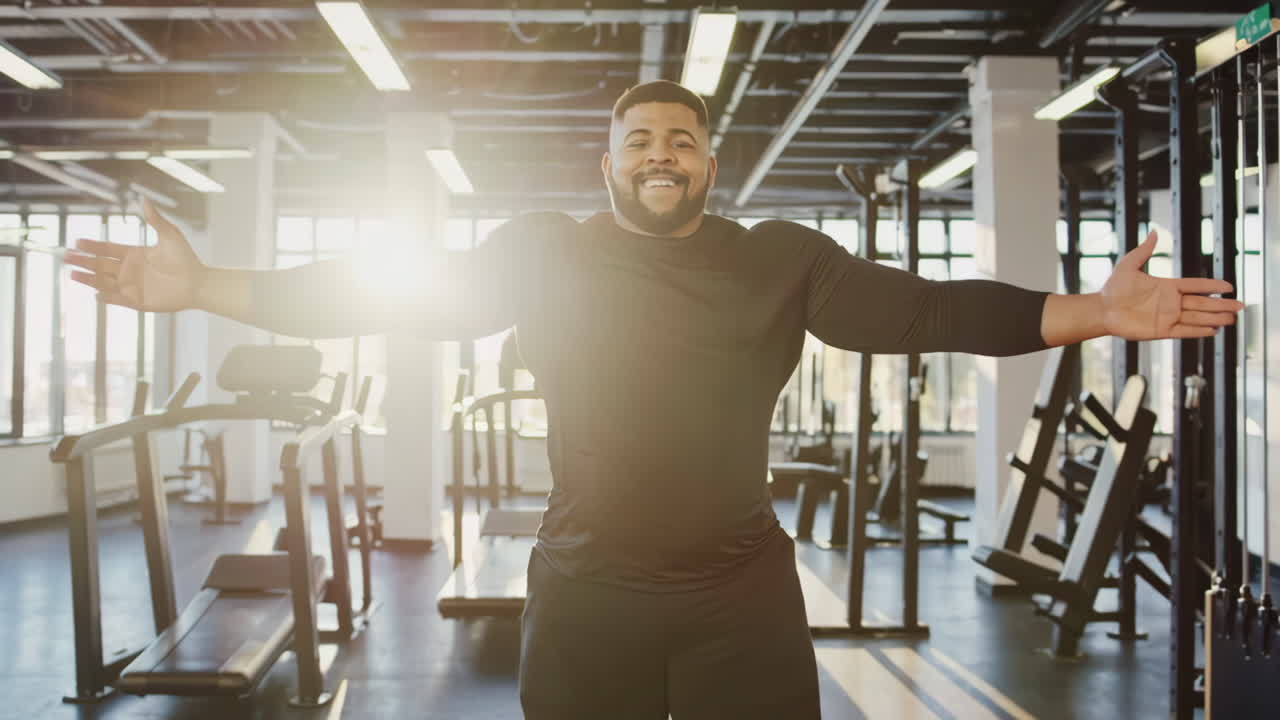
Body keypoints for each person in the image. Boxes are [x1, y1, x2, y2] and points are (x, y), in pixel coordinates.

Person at [67, 80, 1241, 719]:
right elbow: (383, 295)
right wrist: (207, 285)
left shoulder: (779, 257)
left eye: (682, 137)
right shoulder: (541, 252)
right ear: (608, 161)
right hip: (587, 588)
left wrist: (1090, 312)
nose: (660, 153)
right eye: (638, 139)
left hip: (738, 587)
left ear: (708, 162)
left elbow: (923, 312)